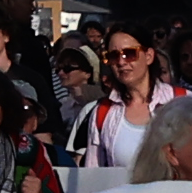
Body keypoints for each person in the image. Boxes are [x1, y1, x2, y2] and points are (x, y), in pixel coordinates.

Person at [71, 29, 183, 170]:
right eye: (113, 56)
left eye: (129, 54)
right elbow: (94, 172)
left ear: (149, 56)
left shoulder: (185, 102)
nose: (121, 62)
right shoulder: (103, 112)